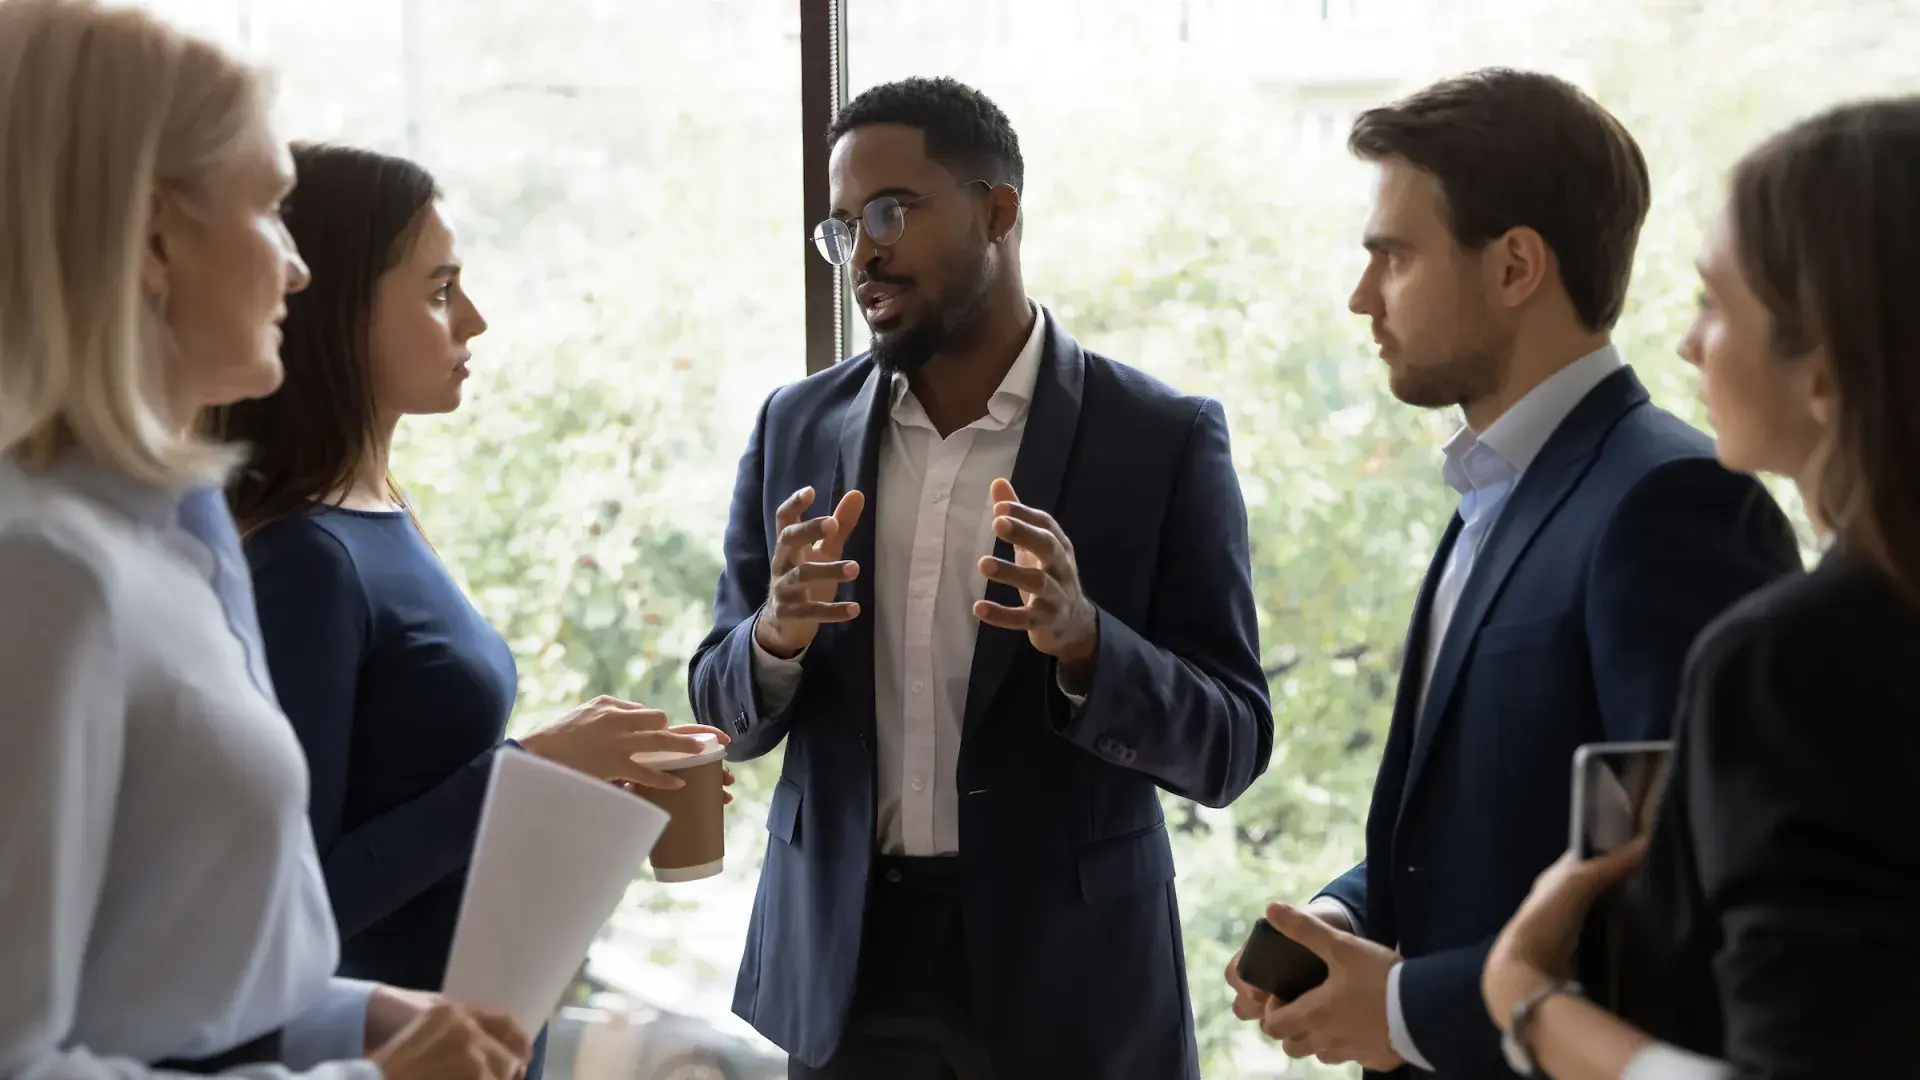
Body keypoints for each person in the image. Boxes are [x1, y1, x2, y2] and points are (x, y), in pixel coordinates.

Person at [1222, 68, 1802, 1078]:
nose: (1361, 297)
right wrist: (1346, 915)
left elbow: (1679, 893)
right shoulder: (1489, 495)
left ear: (1516, 265)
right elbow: (1495, 826)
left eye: (1394, 257)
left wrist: (1402, 1008)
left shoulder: (1674, 503)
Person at [689, 76, 1273, 1079]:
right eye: (842, 228)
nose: (863, 253)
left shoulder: (1161, 439)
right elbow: (720, 712)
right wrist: (774, 637)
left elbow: (1232, 744)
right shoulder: (794, 426)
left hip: (1074, 989)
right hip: (846, 979)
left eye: (890, 212)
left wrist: (1088, 644)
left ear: (997, 211)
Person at [0, 3, 528, 1078]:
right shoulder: (44, 570)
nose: (297, 268)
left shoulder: (184, 536)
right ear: (155, 240)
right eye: (271, 210)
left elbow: (169, 986)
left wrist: (351, 1019)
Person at [207, 143, 731, 1078]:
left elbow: (417, 792)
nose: (475, 319)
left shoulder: (382, 511)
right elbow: (299, 902)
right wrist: (529, 770)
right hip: (393, 1050)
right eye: (441, 290)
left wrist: (576, 789)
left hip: (473, 1038)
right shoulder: (307, 559)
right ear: (342, 311)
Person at [1482, 95, 1920, 1080]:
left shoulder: (1796, 663)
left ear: (1827, 370)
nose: (1687, 343)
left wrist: (1529, 1002)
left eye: (1716, 303)